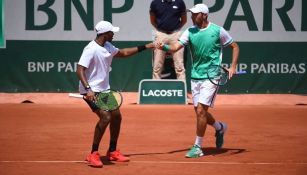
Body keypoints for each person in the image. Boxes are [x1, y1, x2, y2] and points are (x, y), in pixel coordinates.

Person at [156, 4, 240, 158]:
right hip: (196, 76)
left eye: (196, 14)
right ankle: (220, 127)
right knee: (199, 112)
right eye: (192, 14)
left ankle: (197, 147)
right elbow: (176, 47)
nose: (193, 17)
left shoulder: (217, 30)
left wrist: (233, 66)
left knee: (201, 111)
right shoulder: (190, 31)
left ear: (205, 15)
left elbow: (234, 46)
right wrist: (165, 47)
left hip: (212, 76)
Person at [76, 20, 154, 167]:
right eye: (112, 32)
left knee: (116, 116)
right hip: (91, 90)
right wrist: (88, 89)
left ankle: (112, 151)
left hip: (103, 90)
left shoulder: (108, 46)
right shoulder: (90, 49)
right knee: (105, 117)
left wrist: (146, 46)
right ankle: (93, 153)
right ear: (105, 34)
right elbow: (79, 69)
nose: (114, 34)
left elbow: (123, 53)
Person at [149, 0, 187, 80]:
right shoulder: (155, 3)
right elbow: (152, 21)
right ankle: (156, 89)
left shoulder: (179, 2)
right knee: (157, 66)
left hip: (176, 34)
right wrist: (161, 30)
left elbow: (184, 20)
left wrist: (175, 30)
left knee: (179, 66)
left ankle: (182, 89)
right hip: (161, 34)